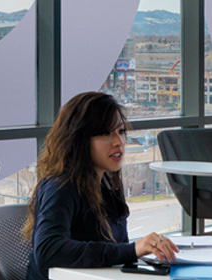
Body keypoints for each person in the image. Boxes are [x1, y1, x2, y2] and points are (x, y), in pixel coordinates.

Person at [23, 92, 178, 280]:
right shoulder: (60, 186)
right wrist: (132, 250)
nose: (118, 142)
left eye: (121, 132)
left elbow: (117, 249)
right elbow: (48, 250)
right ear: (79, 139)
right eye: (105, 133)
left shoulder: (106, 182)